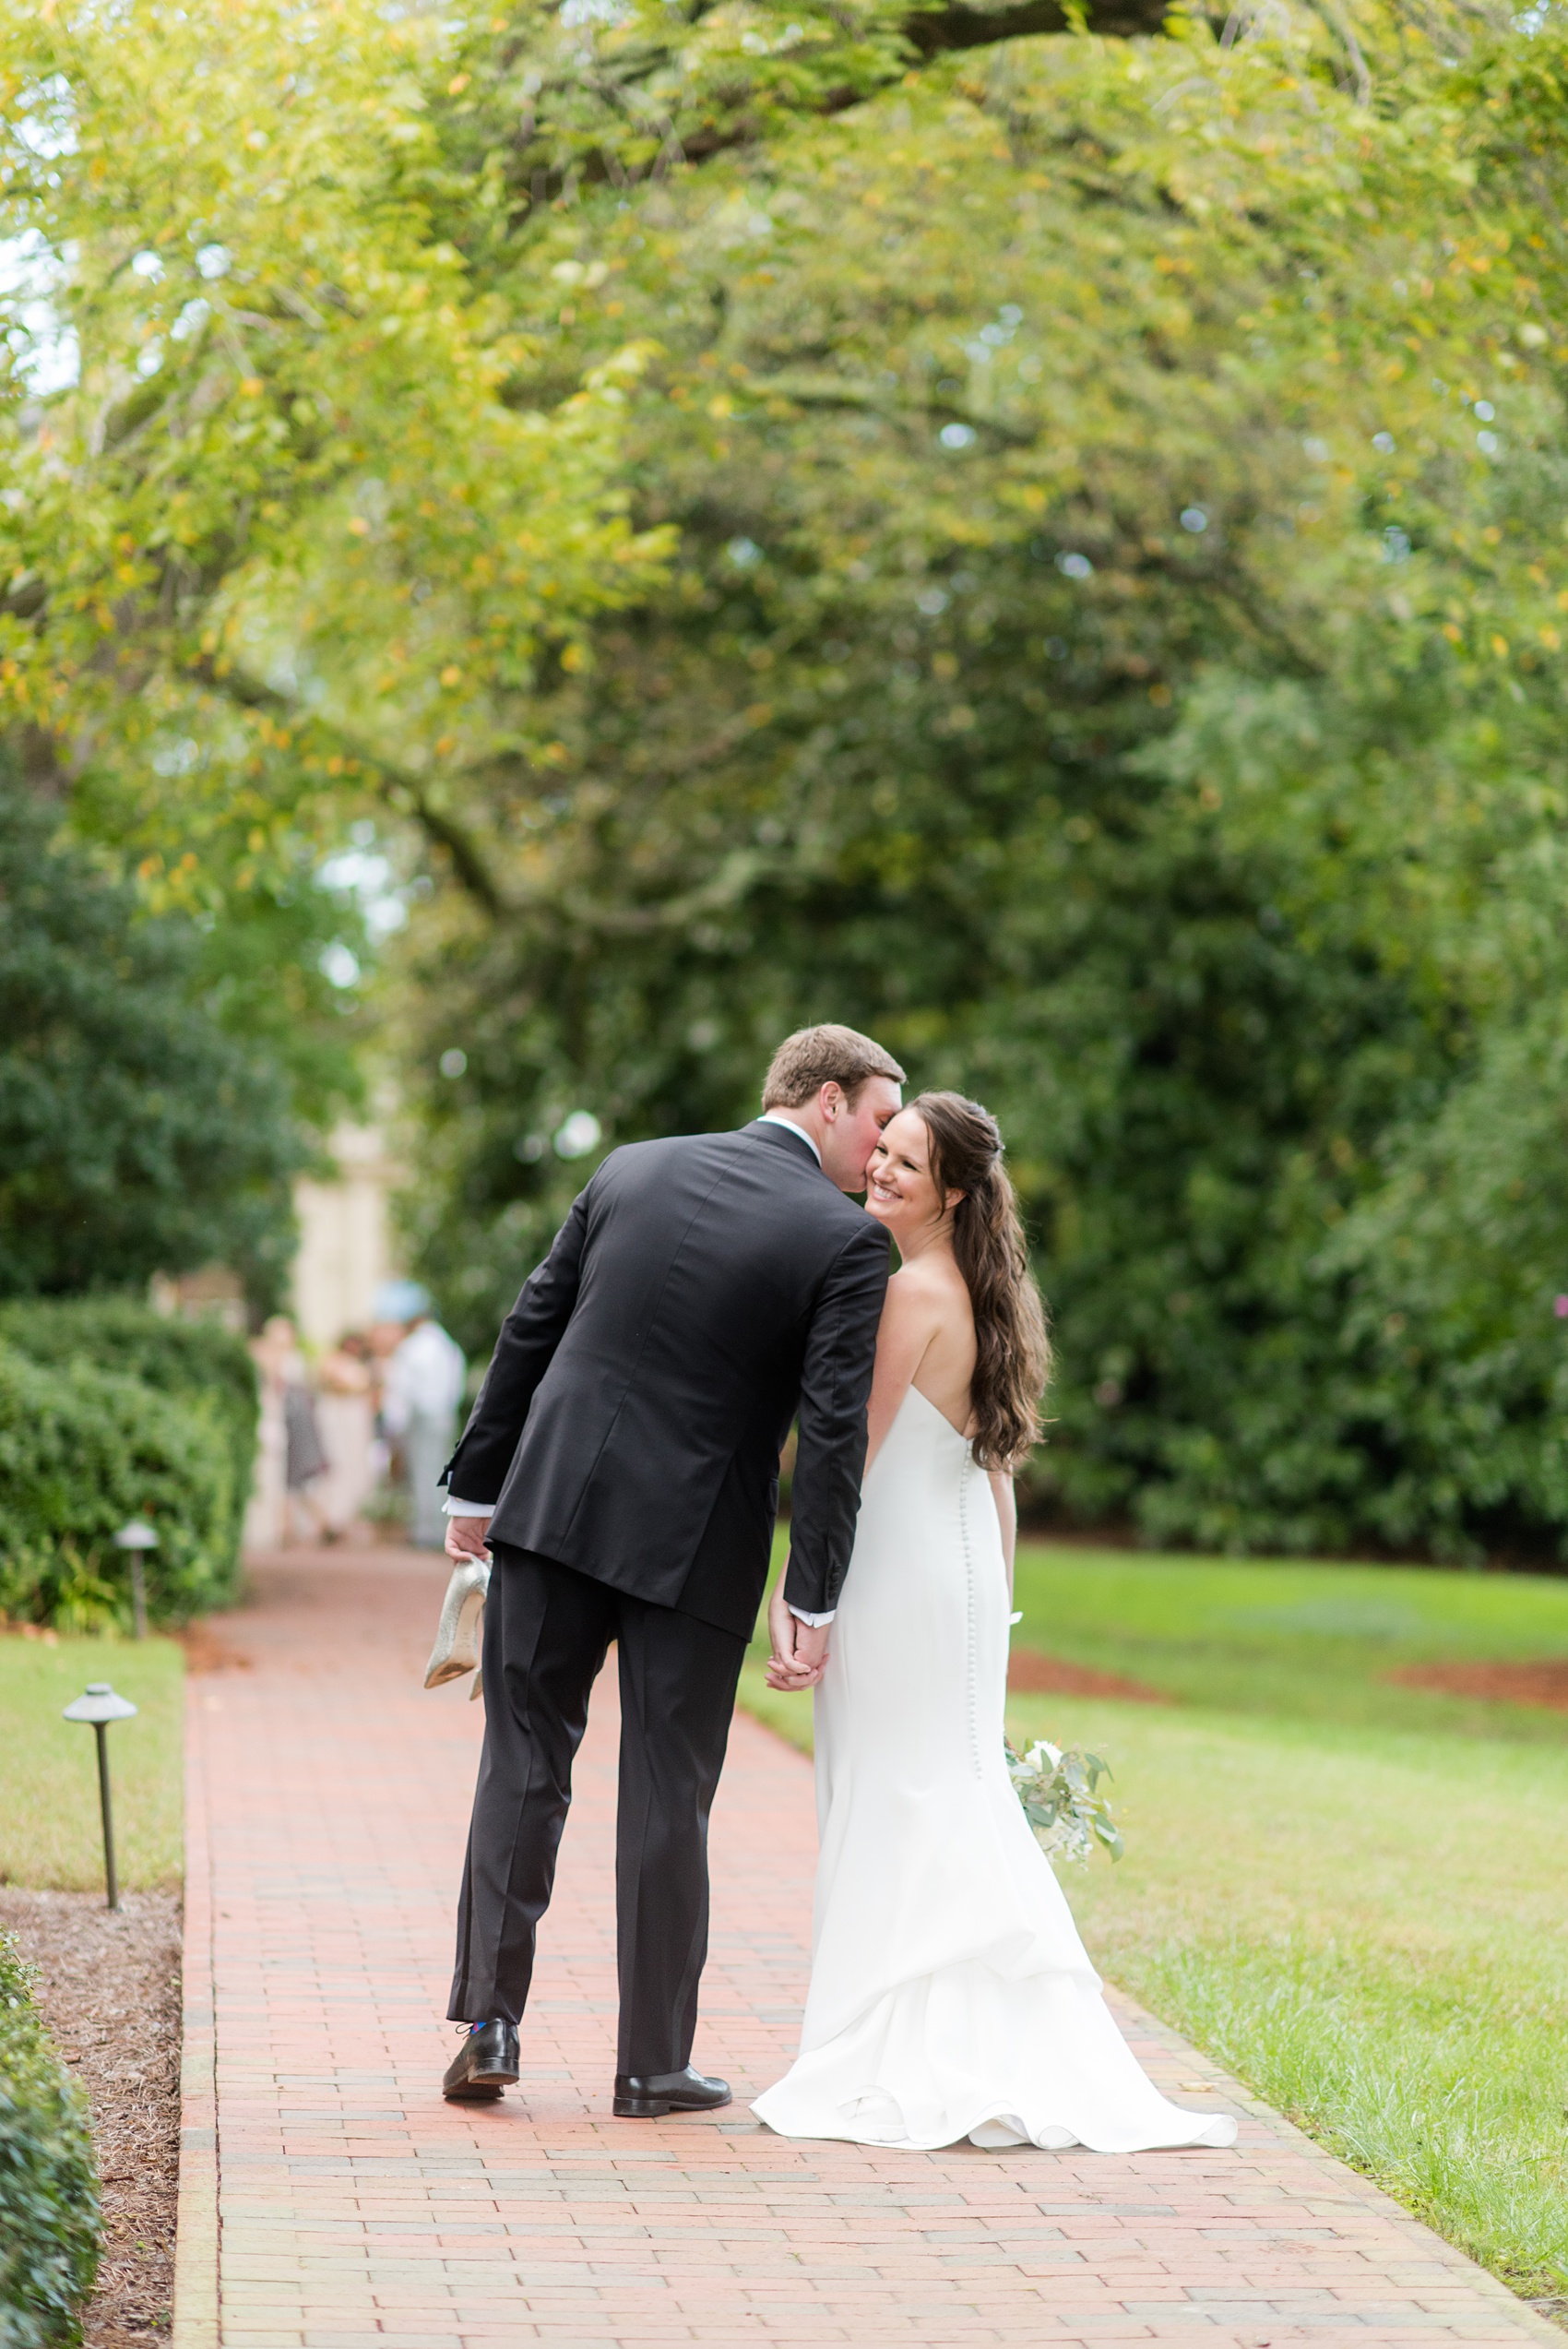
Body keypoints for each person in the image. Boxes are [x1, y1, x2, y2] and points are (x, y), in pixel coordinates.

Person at [753, 1093, 1237, 2153]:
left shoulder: (908, 1292)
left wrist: (803, 1596)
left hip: (895, 1575)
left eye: (906, 1163)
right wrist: (998, 1606)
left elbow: (846, 1457)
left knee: (893, 1789)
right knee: (947, 1783)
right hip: (961, 1574)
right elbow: (995, 1477)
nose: (879, 1170)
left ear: (953, 1190)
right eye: (879, 1150)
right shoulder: (984, 1289)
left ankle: (892, 2046)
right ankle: (970, 2033)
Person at [434, 1024, 905, 2114]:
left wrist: (476, 1483)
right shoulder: (842, 1242)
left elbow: (529, 1326)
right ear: (828, 1099)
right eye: (881, 1117)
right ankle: (651, 2063)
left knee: (522, 1756)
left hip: (550, 1509)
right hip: (693, 1545)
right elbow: (831, 1432)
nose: (882, 1149)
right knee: (667, 1793)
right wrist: (813, 1590)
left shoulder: (630, 1165)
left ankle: (489, 2020)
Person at [378, 1283, 467, 1550]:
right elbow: (456, 1384)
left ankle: (426, 1531)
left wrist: (394, 1425)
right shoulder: (448, 1345)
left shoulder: (412, 1347)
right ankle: (440, 1527)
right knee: (442, 1473)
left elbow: (402, 1390)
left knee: (423, 1473)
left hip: (422, 1416)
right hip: (445, 1415)